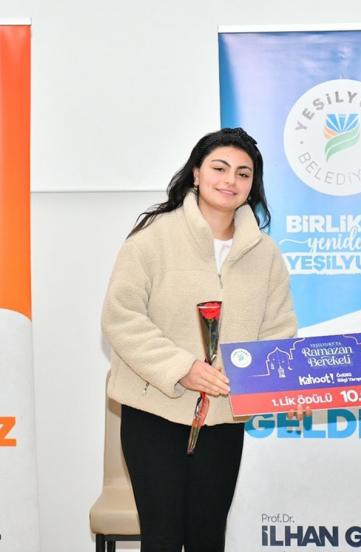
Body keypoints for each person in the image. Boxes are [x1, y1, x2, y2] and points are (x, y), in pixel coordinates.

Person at [101, 128, 297, 552]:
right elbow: (121, 317)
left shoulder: (265, 254)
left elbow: (279, 331)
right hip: (155, 412)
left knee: (208, 538)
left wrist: (271, 381)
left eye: (243, 173)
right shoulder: (152, 239)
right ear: (196, 173)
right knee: (163, 539)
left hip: (224, 418)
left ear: (252, 185)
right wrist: (181, 369)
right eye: (219, 168)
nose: (230, 180)